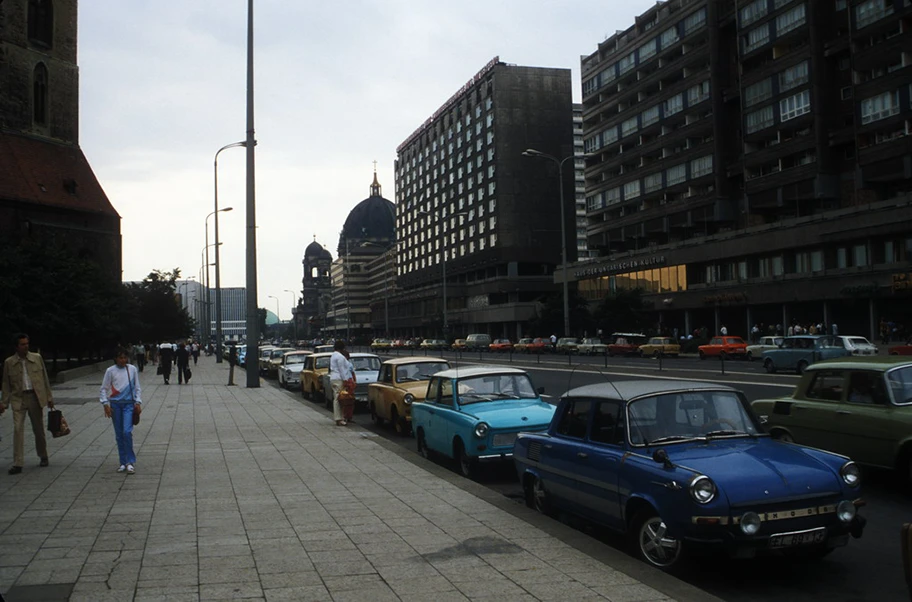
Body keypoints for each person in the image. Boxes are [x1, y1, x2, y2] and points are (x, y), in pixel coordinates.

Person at [1, 334, 54, 475]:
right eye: (23, 344)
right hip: (18, 398)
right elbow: (6, 384)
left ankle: (43, 455)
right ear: (17, 346)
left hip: (35, 397)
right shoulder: (9, 362)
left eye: (27, 343)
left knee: (38, 429)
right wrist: (3, 402)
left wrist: (49, 397)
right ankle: (18, 463)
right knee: (17, 429)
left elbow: (44, 378)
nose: (26, 346)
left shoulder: (36, 358)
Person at [100, 347, 142, 474]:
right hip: (115, 405)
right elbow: (104, 388)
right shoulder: (110, 371)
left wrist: (138, 402)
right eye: (120, 358)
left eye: (125, 357)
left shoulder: (132, 369)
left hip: (129, 404)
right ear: (116, 358)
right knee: (119, 434)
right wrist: (105, 403)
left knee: (127, 432)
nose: (123, 360)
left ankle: (130, 461)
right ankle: (123, 462)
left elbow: (137, 387)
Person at [329, 340, 354, 426]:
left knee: (337, 398)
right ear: (342, 348)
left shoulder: (333, 355)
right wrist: (345, 380)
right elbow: (341, 369)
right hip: (338, 378)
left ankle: (339, 417)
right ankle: (339, 418)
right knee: (339, 398)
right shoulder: (340, 357)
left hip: (333, 377)